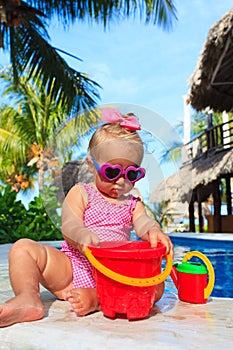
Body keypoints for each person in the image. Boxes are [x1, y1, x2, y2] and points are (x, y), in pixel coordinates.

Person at [0, 108, 173, 327]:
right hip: (73, 268)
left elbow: (143, 223)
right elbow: (69, 223)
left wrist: (154, 231)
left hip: (115, 275)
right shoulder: (82, 192)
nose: (121, 182)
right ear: (92, 165)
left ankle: (98, 299)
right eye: (112, 172)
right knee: (22, 248)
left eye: (131, 174)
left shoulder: (133, 203)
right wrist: (80, 235)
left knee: (157, 286)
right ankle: (28, 298)